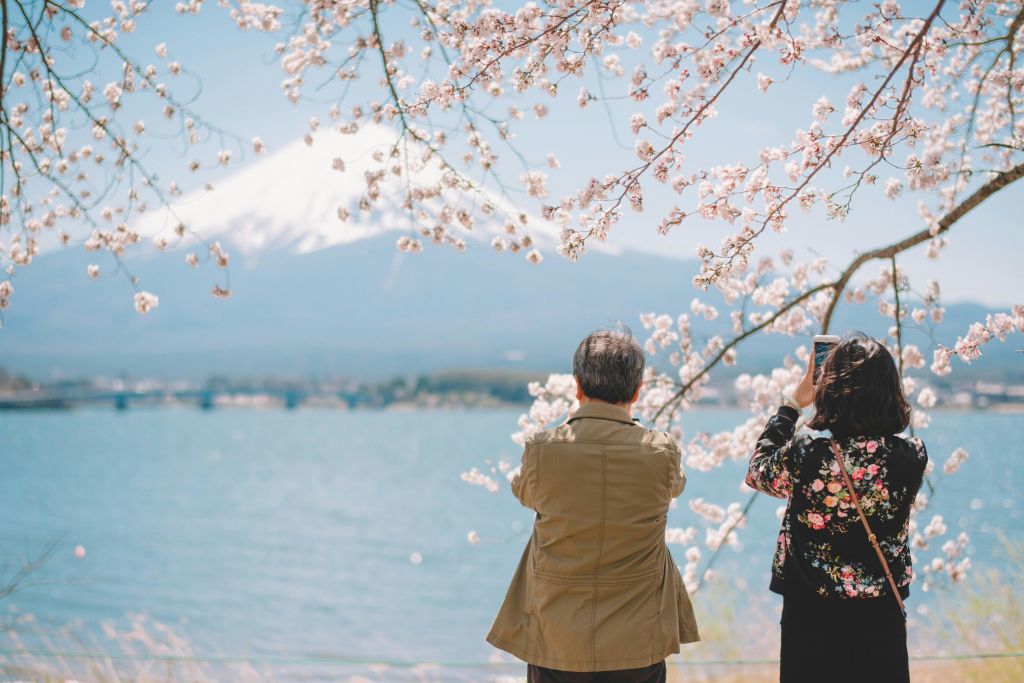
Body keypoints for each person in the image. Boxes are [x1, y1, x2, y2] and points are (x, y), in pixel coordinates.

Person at [487, 328, 700, 683]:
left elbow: (523, 492)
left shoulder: (543, 449)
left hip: (557, 634)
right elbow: (676, 486)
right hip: (638, 635)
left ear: (577, 386)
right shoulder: (660, 452)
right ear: (637, 390)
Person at [745, 332, 928, 683]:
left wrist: (792, 405)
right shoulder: (911, 456)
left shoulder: (806, 456)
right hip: (881, 613)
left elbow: (757, 472)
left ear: (830, 391)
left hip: (810, 615)